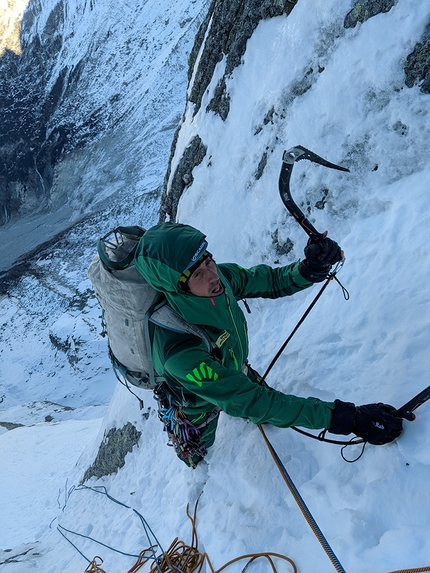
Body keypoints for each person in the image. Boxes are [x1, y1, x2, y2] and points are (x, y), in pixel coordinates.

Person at [134, 222, 402, 467]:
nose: (213, 276)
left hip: (234, 370)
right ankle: (196, 467)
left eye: (209, 262)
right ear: (178, 287)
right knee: (197, 455)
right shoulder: (179, 351)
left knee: (261, 401)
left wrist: (309, 269)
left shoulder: (221, 281)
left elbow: (270, 281)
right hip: (195, 405)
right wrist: (348, 419)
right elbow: (253, 401)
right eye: (198, 275)